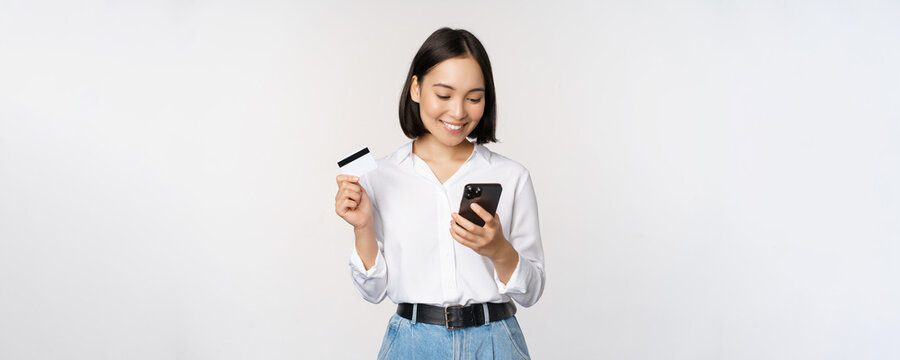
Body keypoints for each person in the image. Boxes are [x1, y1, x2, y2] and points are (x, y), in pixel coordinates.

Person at [334, 27, 546, 359]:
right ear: (416, 88)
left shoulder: (511, 176)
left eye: (474, 98)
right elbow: (372, 292)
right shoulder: (380, 176)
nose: (459, 112)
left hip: (495, 343)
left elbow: (532, 292)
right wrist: (362, 227)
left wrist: (498, 249)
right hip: (412, 344)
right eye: (444, 95)